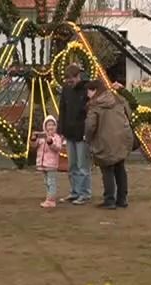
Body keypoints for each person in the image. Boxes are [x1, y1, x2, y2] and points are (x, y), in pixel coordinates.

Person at [84, 79, 134, 210]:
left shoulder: (95, 105)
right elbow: (129, 113)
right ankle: (122, 199)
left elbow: (90, 126)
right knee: (120, 168)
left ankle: (109, 199)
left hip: (105, 140)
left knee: (107, 169)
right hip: (122, 138)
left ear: (94, 90)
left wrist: (87, 139)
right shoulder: (118, 99)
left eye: (88, 91)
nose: (87, 94)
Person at [58, 64, 92, 205]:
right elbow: (63, 109)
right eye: (67, 81)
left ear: (78, 76)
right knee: (72, 165)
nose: (69, 83)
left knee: (82, 165)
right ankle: (74, 191)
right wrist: (61, 130)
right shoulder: (66, 89)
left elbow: (90, 112)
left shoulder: (86, 90)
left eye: (71, 80)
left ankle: (85, 193)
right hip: (69, 133)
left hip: (82, 133)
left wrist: (88, 131)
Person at [35, 115, 64, 209]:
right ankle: (49, 197)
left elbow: (57, 148)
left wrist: (50, 142)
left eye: (53, 125)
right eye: (48, 125)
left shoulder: (57, 137)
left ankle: (51, 200)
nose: (51, 127)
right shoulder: (41, 137)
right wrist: (33, 138)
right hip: (43, 164)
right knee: (46, 182)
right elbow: (34, 146)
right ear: (45, 126)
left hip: (51, 164)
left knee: (51, 181)